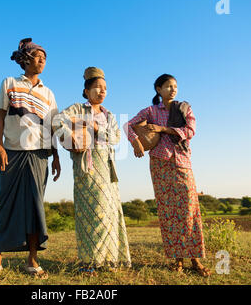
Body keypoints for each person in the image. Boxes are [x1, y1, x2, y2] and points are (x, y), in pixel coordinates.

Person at [0, 38, 61, 279]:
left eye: (44, 58)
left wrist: (56, 156)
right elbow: (0, 118)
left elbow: (52, 126)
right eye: (37, 56)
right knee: (5, 204)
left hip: (40, 155)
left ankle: (32, 260)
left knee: (35, 208)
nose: (42, 61)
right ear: (25, 59)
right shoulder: (9, 83)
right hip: (13, 152)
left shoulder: (48, 93)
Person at [123, 74, 211, 277]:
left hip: (182, 162)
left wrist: (163, 129)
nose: (172, 89)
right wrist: (135, 142)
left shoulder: (184, 108)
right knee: (168, 212)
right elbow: (128, 125)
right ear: (158, 89)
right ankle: (177, 260)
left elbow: (190, 130)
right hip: (160, 165)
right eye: (168, 86)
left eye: (175, 86)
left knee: (189, 210)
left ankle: (195, 259)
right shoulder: (151, 111)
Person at [53, 67, 131, 275]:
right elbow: (57, 120)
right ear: (86, 91)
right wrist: (72, 136)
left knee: (109, 214)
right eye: (96, 88)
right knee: (92, 214)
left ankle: (109, 259)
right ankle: (89, 262)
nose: (101, 92)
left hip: (107, 167)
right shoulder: (78, 108)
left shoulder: (109, 114)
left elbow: (115, 138)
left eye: (104, 88)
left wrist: (95, 128)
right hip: (86, 168)